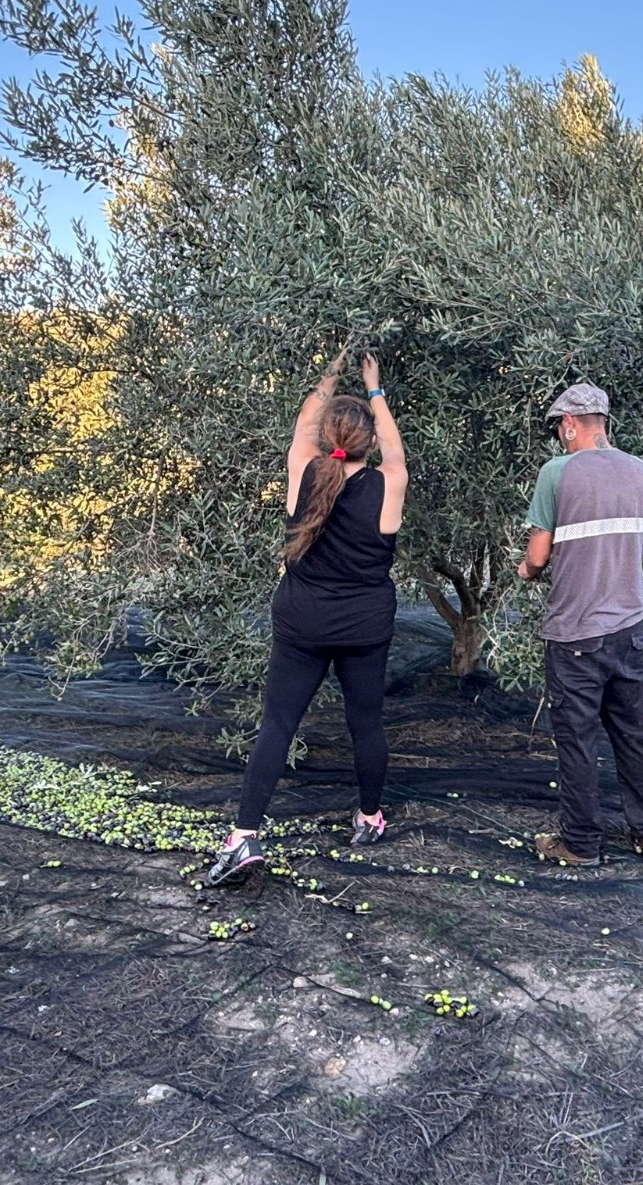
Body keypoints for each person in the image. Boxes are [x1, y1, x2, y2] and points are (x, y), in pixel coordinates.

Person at [207, 350, 407, 886]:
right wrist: (374, 388)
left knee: (277, 724)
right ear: (369, 442)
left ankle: (243, 835)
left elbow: (302, 424)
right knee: (366, 722)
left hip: (302, 621)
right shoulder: (389, 481)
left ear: (325, 437)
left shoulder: (305, 470)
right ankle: (369, 817)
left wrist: (332, 370)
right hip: (365, 625)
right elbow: (394, 448)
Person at [517, 383, 643, 867]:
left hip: (576, 632)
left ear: (569, 424)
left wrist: (525, 570)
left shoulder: (557, 472)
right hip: (630, 629)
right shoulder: (641, 471)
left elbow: (538, 555)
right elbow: (641, 543)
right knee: (633, 734)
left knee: (578, 741)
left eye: (558, 429)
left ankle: (580, 843)